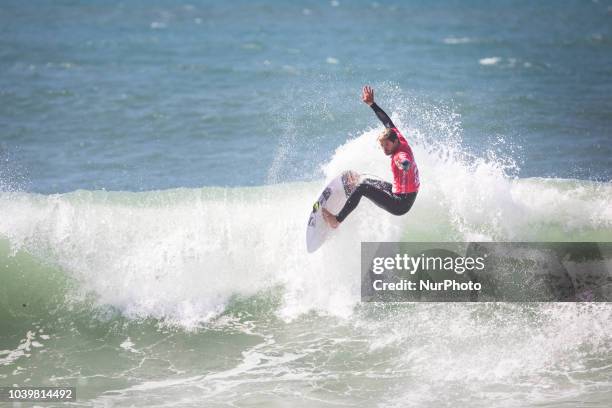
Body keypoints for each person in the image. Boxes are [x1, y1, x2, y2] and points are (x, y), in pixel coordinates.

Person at [321, 86, 420, 228]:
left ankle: (336, 220)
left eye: (387, 146)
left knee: (363, 188)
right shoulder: (398, 138)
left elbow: (405, 161)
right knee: (365, 180)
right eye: (382, 146)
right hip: (403, 193)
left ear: (395, 142)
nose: (384, 150)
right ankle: (351, 191)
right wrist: (372, 104)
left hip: (400, 204)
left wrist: (404, 165)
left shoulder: (400, 155)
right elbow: (386, 121)